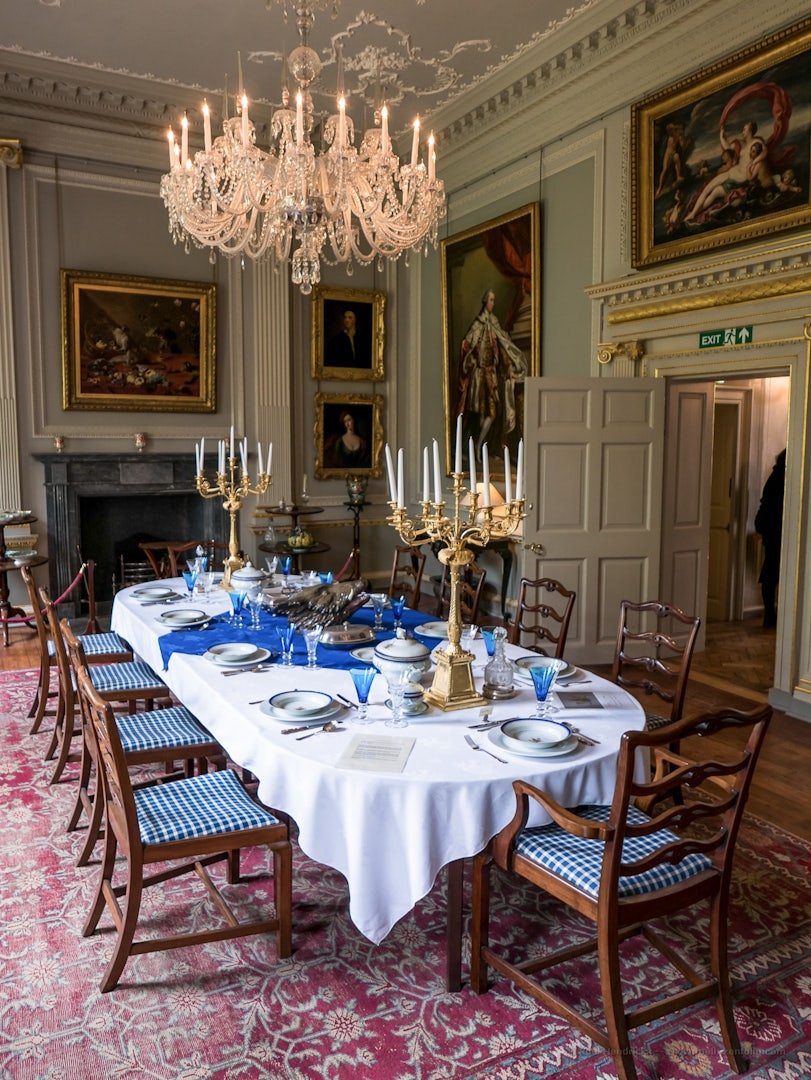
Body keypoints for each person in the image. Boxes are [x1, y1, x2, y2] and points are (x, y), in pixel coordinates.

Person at [457, 287, 528, 462]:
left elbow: (504, 346)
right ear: (484, 302)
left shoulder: (494, 323)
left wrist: (510, 366)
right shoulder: (478, 324)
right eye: (490, 300)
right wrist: (471, 360)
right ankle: (475, 447)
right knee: (481, 413)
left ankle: (480, 445)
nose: (493, 303)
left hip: (491, 377)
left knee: (492, 413)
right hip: (479, 377)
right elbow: (467, 345)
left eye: (494, 300)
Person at [754, 448, 785, 628]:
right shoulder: (783, 477)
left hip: (773, 531)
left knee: (770, 575)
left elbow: (764, 504)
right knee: (774, 574)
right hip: (778, 531)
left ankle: (770, 615)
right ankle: (773, 614)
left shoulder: (774, 476)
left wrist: (760, 527)